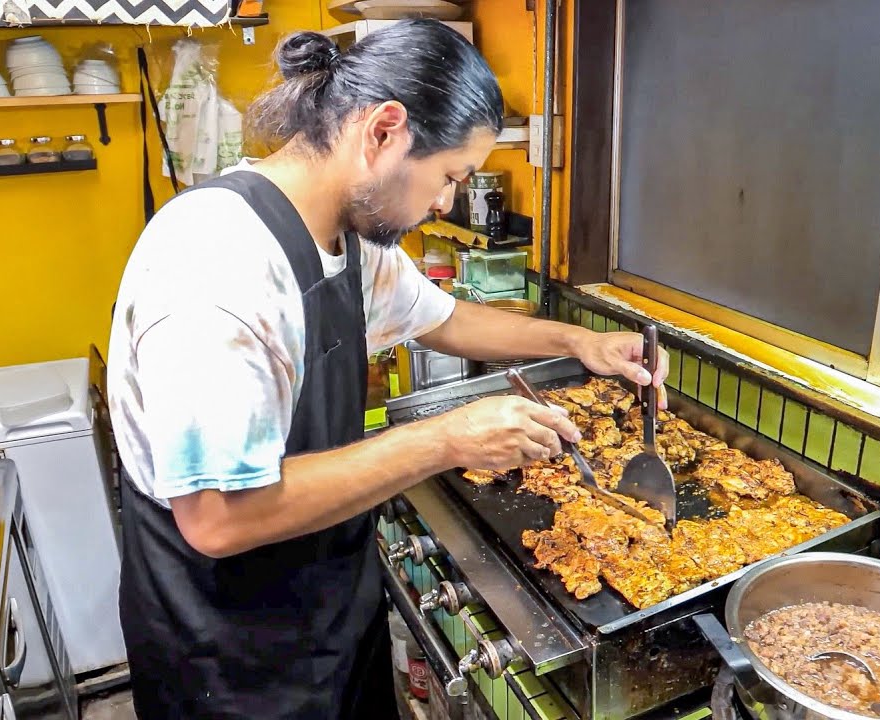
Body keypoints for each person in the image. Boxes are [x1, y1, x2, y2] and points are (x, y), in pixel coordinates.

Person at [107, 19, 669, 720]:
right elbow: (220, 518)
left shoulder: (348, 235)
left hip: (329, 597)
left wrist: (580, 342)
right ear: (383, 131)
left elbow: (445, 318)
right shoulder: (219, 269)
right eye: (448, 177)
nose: (443, 203)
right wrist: (446, 440)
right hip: (229, 646)